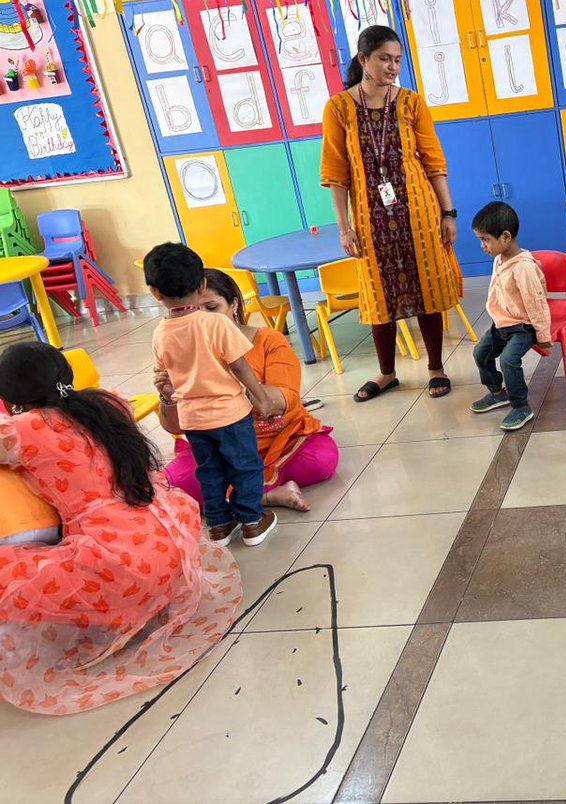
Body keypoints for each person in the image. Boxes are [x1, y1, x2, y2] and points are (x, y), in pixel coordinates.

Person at [0, 342, 241, 715]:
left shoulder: (25, 429)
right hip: (168, 544)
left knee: (11, 574)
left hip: (119, 563)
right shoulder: (107, 403)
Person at [321, 25, 463, 404]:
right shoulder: (338, 109)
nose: (393, 66)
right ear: (363, 59)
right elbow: (336, 172)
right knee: (378, 295)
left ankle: (436, 367)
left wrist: (448, 212)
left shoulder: (411, 103)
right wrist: (343, 227)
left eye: (398, 59)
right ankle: (387, 374)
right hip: (370, 217)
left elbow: (434, 161)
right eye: (385, 58)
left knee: (427, 287)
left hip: (418, 211)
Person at [156, 269, 339, 513]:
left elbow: (286, 400)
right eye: (195, 311)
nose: (203, 320)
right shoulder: (181, 349)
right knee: (175, 482)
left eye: (211, 308)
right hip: (219, 447)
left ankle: (240, 495)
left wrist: (230, 377)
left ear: (233, 305)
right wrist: (169, 395)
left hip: (280, 440)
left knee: (320, 461)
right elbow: (175, 427)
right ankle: (268, 495)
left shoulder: (268, 341)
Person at [144, 243, 281, 547]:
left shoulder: (160, 333)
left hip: (193, 420)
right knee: (245, 465)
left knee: (210, 470)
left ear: (155, 292)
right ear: (202, 284)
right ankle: (252, 522)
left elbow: (164, 376)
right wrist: (261, 397)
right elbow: (240, 365)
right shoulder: (215, 323)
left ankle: (218, 525)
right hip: (230, 414)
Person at [468, 201, 552, 431]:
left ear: (506, 236)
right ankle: (497, 393)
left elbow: (536, 302)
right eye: (480, 240)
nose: (482, 245)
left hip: (523, 327)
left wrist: (543, 333)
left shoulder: (523, 267)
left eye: (485, 239)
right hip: (502, 324)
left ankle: (521, 406)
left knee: (507, 360)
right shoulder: (499, 259)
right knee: (481, 352)